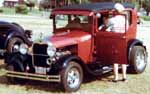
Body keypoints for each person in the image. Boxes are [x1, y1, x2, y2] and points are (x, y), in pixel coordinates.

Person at [108, 3, 128, 82]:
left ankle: (116, 78)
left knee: (115, 59)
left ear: (116, 11)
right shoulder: (125, 19)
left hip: (115, 40)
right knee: (123, 59)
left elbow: (106, 26)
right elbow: (126, 29)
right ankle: (124, 77)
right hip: (123, 39)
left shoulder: (112, 20)